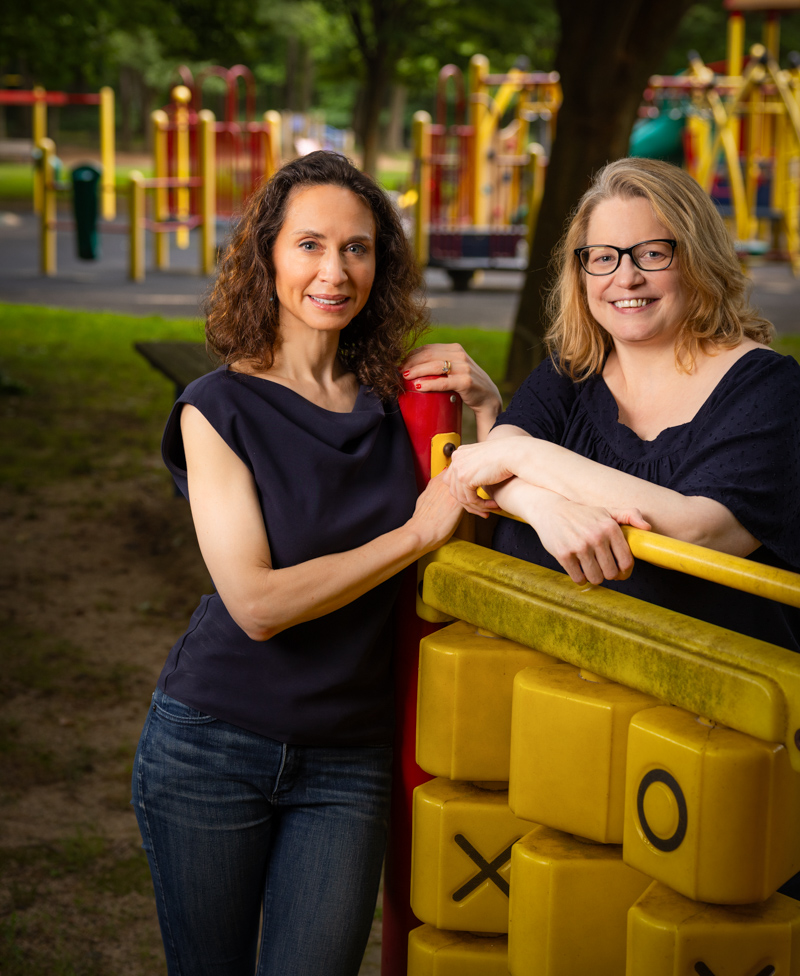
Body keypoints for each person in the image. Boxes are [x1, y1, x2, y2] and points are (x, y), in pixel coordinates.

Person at [131, 150, 501, 976]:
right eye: (310, 245)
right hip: (212, 745)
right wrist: (412, 531)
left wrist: (485, 413)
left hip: (347, 757)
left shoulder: (400, 405)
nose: (335, 271)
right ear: (267, 256)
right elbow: (257, 604)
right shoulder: (216, 408)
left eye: (358, 248)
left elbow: (461, 568)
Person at [444, 156, 800, 652]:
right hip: (547, 687)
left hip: (717, 709)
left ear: (700, 259)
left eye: (652, 254)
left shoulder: (769, 388)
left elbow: (700, 530)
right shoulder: (573, 368)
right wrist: (542, 506)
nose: (625, 278)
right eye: (604, 256)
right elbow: (495, 454)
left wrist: (531, 460)